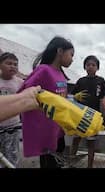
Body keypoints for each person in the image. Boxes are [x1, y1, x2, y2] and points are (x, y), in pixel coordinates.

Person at [19, 36, 74, 168]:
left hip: (59, 128)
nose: (72, 59)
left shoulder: (61, 74)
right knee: (49, 163)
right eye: (71, 54)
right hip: (46, 130)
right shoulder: (43, 70)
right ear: (60, 51)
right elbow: (25, 92)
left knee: (58, 162)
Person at [70, 55, 105, 168]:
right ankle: (71, 163)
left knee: (91, 144)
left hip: (93, 117)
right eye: (88, 65)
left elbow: (104, 99)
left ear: (97, 67)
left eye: (93, 65)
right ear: (85, 67)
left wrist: (104, 117)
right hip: (79, 116)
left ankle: (89, 166)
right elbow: (71, 97)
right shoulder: (80, 81)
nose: (90, 67)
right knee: (75, 140)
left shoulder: (101, 81)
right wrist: (75, 96)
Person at [0, 52, 24, 167]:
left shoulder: (20, 83)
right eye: (9, 63)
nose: (13, 66)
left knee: (12, 156)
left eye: (15, 64)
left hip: (13, 126)